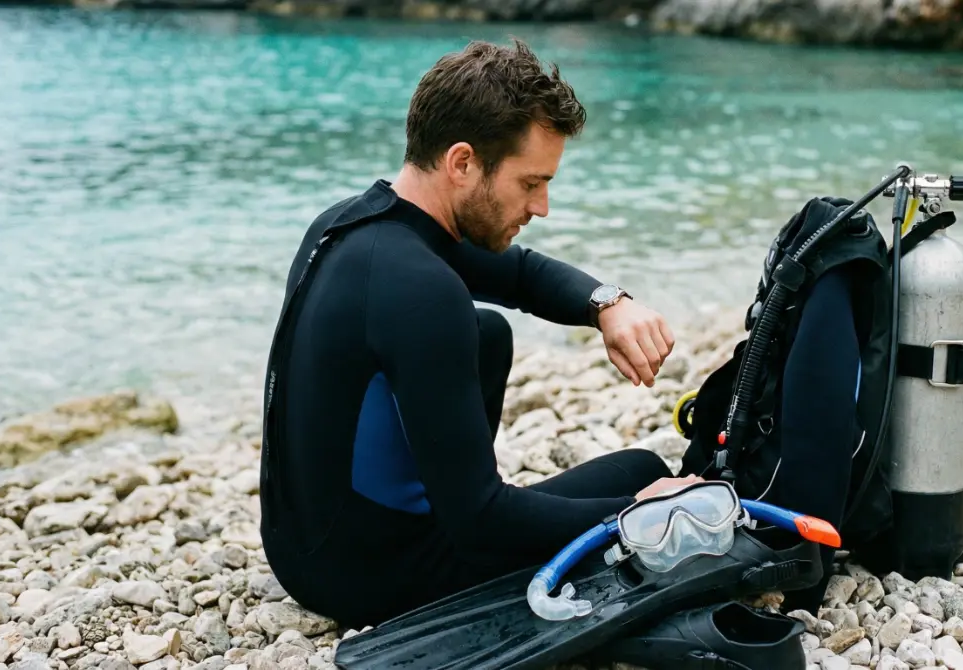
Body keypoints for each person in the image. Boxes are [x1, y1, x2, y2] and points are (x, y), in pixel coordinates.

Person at [258, 37, 703, 630]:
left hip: (298, 546)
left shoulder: (351, 225)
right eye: (530, 183)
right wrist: (639, 512)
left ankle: (448, 495)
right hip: (366, 577)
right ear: (462, 163)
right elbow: (483, 525)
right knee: (644, 474)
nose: (542, 206)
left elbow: (520, 275)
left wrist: (609, 304)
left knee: (487, 331)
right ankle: (448, 512)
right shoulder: (422, 290)